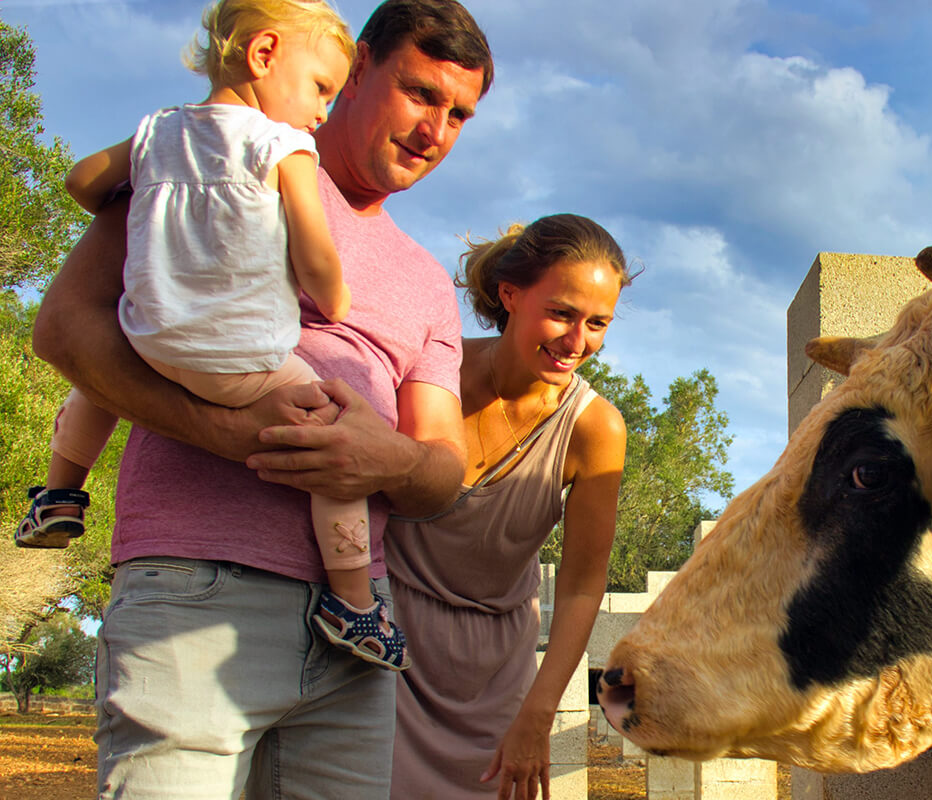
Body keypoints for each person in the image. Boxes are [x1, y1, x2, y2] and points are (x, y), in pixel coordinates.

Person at [31, 0, 493, 796]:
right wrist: (259, 439)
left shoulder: (425, 279)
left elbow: (445, 470)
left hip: (359, 631)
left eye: (459, 115)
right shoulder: (209, 154)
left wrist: (390, 458)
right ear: (354, 74)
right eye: (421, 93)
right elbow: (66, 331)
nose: (436, 129)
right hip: (195, 588)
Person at [17, 0, 410, 672]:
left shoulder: (158, 132)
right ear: (264, 55)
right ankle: (353, 604)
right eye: (320, 88)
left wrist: (142, 201)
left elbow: (80, 179)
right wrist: (335, 296)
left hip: (145, 339)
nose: (322, 110)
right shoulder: (283, 146)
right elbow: (316, 258)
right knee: (334, 441)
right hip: (236, 360)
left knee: (96, 387)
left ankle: (58, 494)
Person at [386, 213, 633, 800]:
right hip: (381, 642)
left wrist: (536, 715)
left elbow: (580, 584)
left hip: (494, 678)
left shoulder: (595, 429)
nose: (578, 343)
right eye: (562, 314)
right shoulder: (429, 367)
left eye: (598, 324)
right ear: (510, 294)